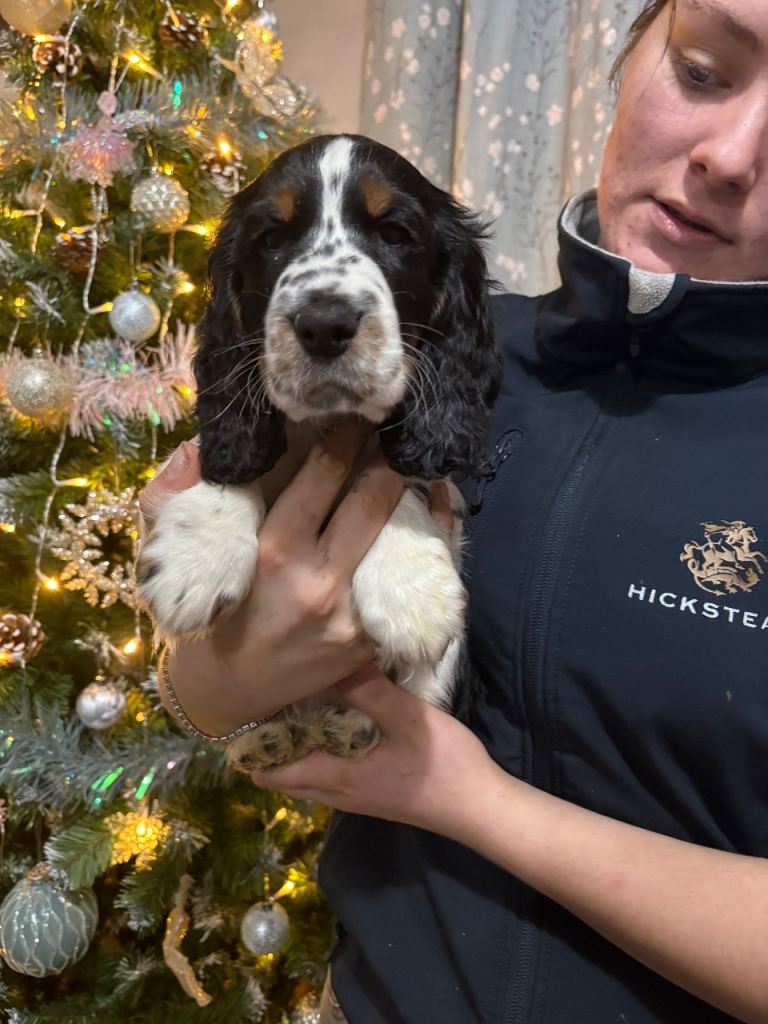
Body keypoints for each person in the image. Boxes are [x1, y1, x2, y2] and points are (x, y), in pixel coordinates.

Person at [139, 1, 768, 1020]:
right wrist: (216, 678)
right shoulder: (451, 357)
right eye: (701, 70)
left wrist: (464, 798)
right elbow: (212, 684)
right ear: (631, 58)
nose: (731, 158)